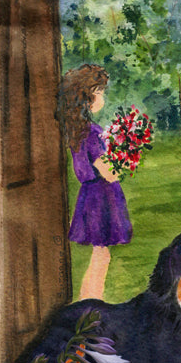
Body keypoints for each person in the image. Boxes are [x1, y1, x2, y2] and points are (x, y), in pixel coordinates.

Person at [58, 64, 132, 300]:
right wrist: (126, 158)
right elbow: (108, 172)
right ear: (86, 97)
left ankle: (89, 302)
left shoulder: (77, 131)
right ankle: (90, 303)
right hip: (101, 198)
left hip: (90, 195)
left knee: (100, 255)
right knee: (101, 257)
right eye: (99, 91)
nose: (102, 96)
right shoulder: (92, 133)